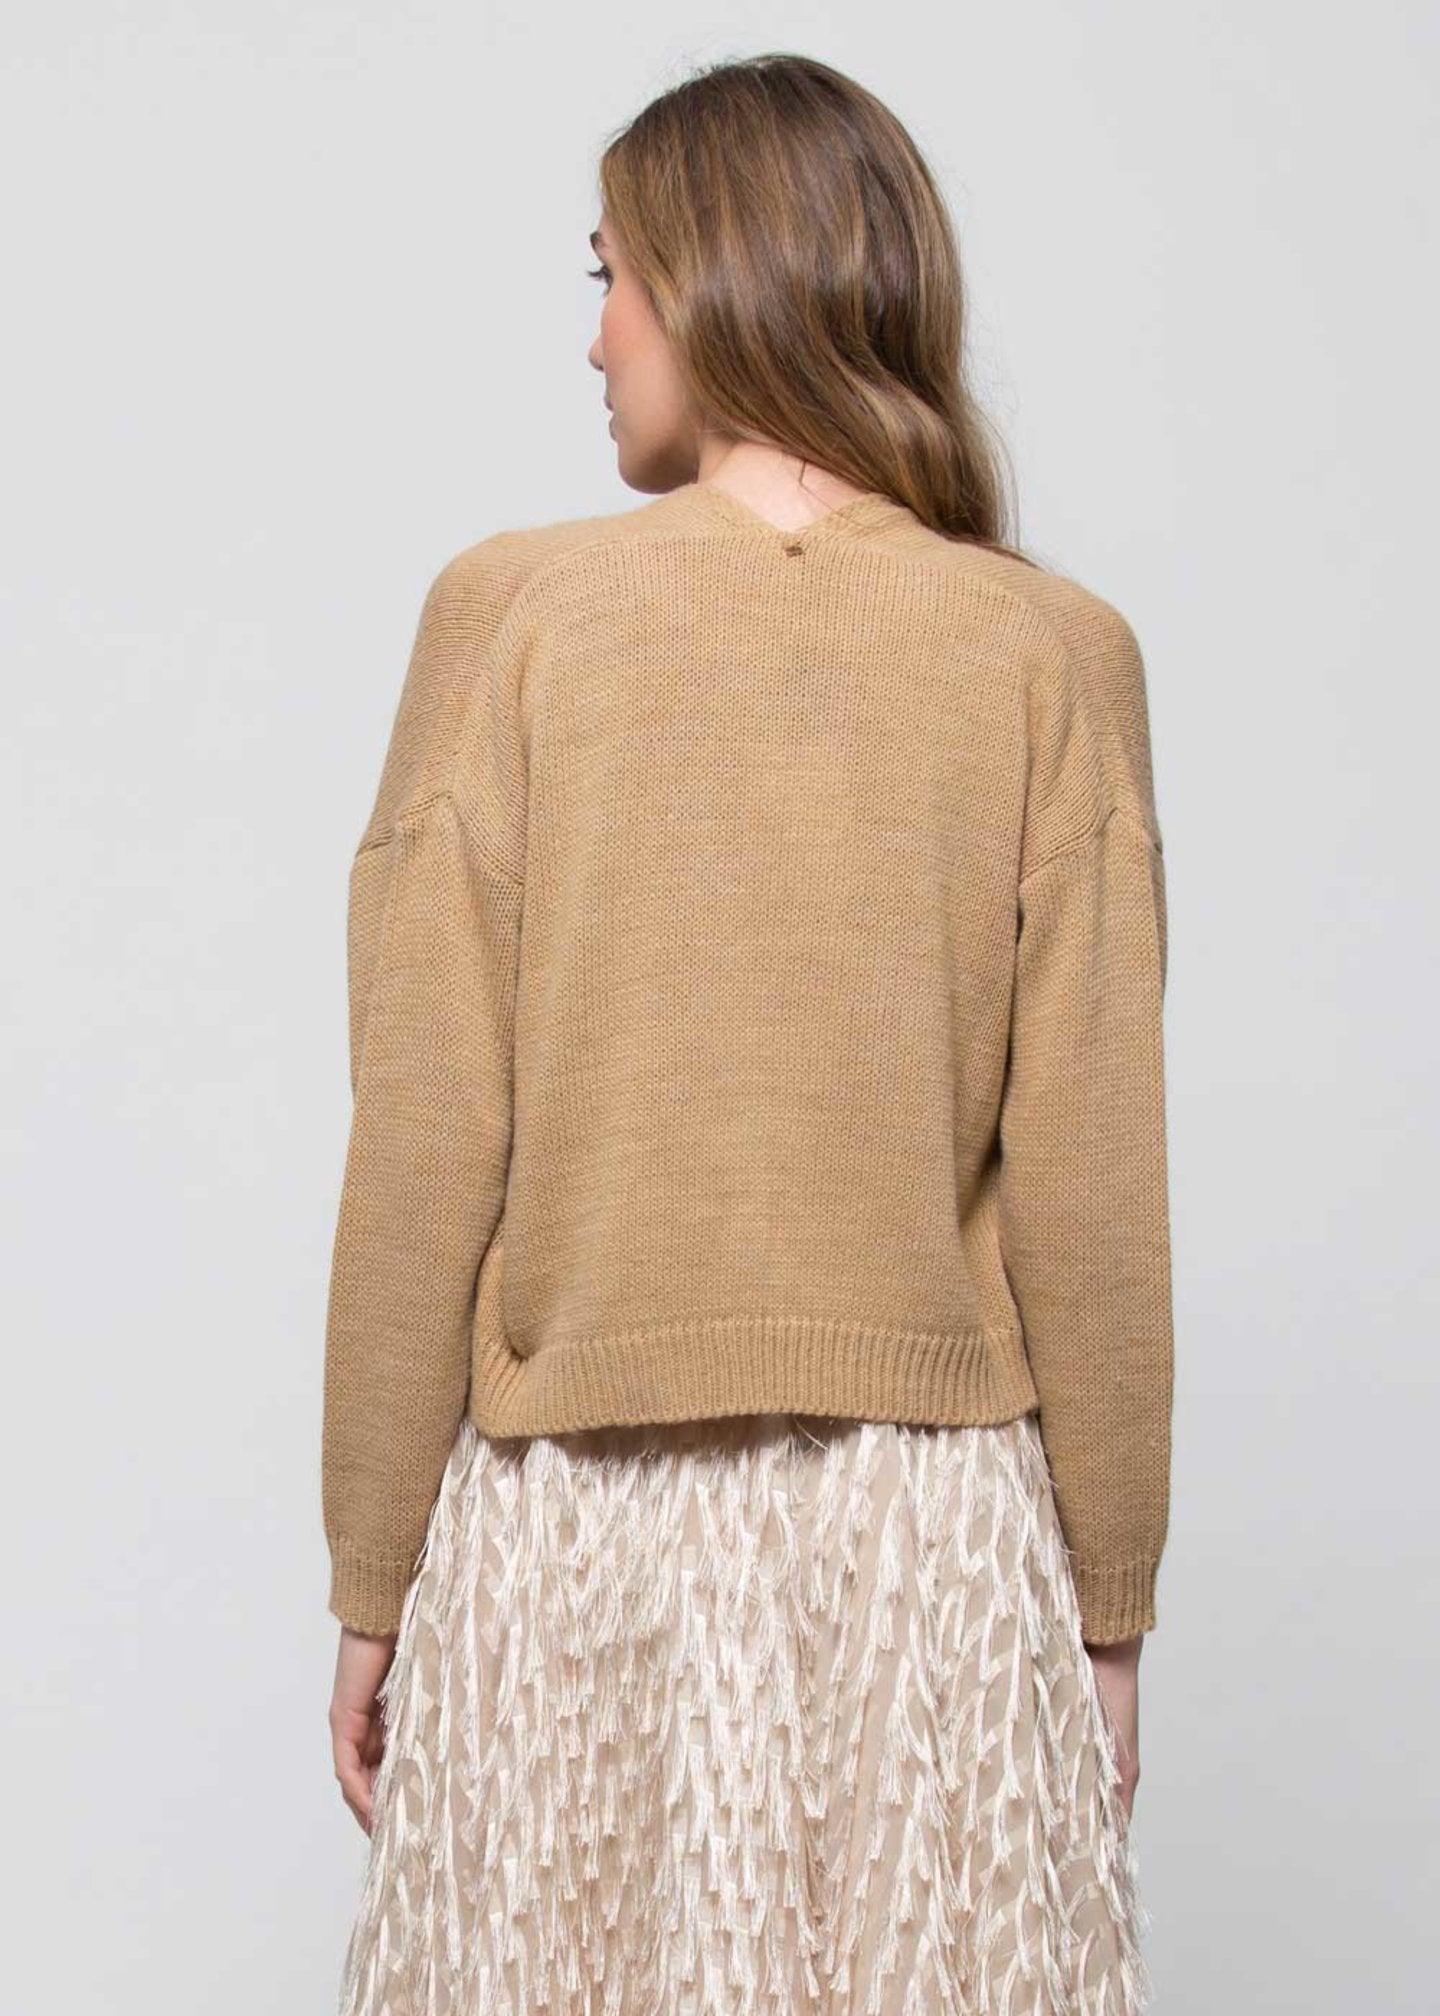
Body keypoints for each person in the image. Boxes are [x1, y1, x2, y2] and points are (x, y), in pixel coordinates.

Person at [323, 50, 1173, 2016]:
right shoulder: (1051, 654)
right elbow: (1094, 1177)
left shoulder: (511, 620)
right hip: (930, 1554)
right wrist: (1109, 1606)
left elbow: (426, 1139)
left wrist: (371, 1574)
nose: (595, 336)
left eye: (609, 275)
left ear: (711, 281)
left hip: (571, 1532)